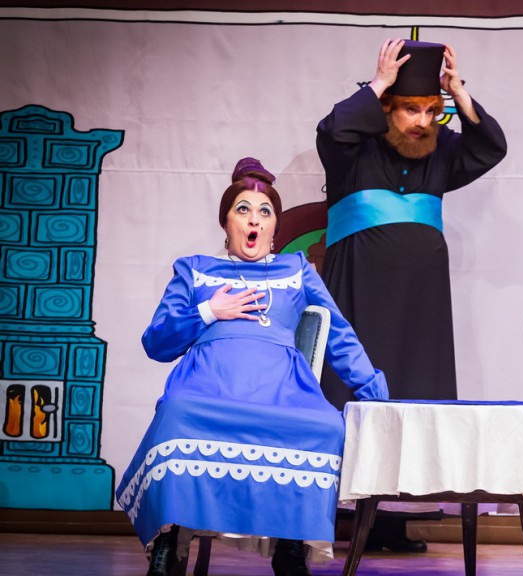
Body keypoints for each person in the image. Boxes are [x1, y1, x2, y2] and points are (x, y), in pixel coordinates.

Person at [115, 158, 388, 576]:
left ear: (275, 227)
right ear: (226, 223)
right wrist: (209, 311)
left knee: (325, 426)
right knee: (176, 413)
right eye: (242, 209)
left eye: (265, 211)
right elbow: (157, 342)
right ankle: (170, 538)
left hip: (280, 387)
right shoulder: (194, 270)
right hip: (208, 385)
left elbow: (339, 334)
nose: (254, 219)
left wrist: (373, 390)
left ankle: (292, 544)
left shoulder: (296, 270)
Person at [315, 38, 507, 551]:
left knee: (412, 390)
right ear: (386, 108)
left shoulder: (441, 149)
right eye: (410, 110)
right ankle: (342, 516)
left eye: (431, 111)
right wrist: (379, 83)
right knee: (353, 389)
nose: (422, 121)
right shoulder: (355, 147)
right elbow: (331, 130)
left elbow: (490, 147)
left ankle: (394, 522)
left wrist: (459, 95)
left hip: (422, 299)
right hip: (360, 291)